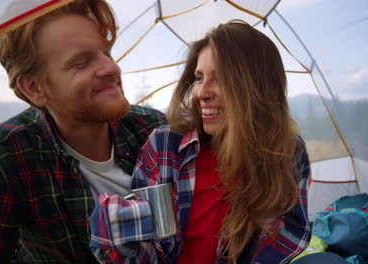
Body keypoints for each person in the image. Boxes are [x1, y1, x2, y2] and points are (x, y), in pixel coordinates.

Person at [90, 20, 311, 264]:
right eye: (198, 77)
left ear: (257, 87)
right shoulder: (165, 147)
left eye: (220, 78)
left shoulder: (287, 152)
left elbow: (287, 236)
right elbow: (149, 251)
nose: (201, 93)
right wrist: (121, 237)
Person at [0, 0, 166, 263]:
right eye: (81, 62)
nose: (112, 68)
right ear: (34, 88)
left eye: (106, 52)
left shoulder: (155, 130)